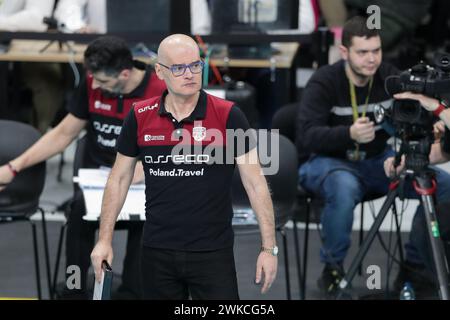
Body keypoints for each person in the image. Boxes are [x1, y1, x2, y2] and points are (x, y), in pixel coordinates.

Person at [90, 34, 278, 299]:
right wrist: (104, 240)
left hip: (213, 252)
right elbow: (118, 179)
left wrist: (269, 248)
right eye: (179, 68)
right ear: (160, 71)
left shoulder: (229, 115)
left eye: (195, 65)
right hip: (157, 250)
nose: (190, 74)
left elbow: (255, 183)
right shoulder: (140, 116)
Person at [0, 36, 167, 299]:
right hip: (96, 181)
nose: (95, 85)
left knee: (149, 220)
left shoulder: (161, 91)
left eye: (103, 81)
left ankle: (133, 292)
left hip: (143, 183)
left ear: (124, 73)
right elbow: (64, 133)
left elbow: (182, 142)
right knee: (77, 214)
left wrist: (147, 168)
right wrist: (14, 166)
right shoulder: (92, 82)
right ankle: (74, 287)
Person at [296, 15, 450, 298]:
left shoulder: (387, 77)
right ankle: (333, 269)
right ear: (345, 52)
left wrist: (434, 124)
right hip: (329, 162)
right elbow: (306, 136)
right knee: (343, 188)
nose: (371, 59)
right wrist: (348, 135)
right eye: (363, 52)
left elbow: (413, 114)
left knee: (442, 185)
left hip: (379, 162)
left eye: (376, 51)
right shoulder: (324, 82)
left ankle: (415, 268)